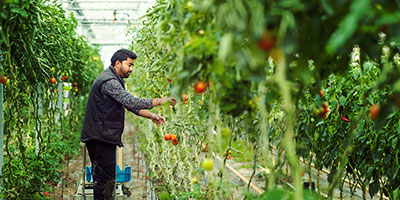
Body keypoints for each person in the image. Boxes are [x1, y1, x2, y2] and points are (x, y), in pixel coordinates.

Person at [80, 49, 175, 199]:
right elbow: (129, 100)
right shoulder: (109, 81)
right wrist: (159, 101)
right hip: (100, 136)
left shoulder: (114, 79)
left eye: (132, 65)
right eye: (129, 65)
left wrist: (151, 116)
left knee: (107, 177)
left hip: (103, 135)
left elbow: (129, 106)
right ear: (118, 63)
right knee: (104, 180)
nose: (131, 69)